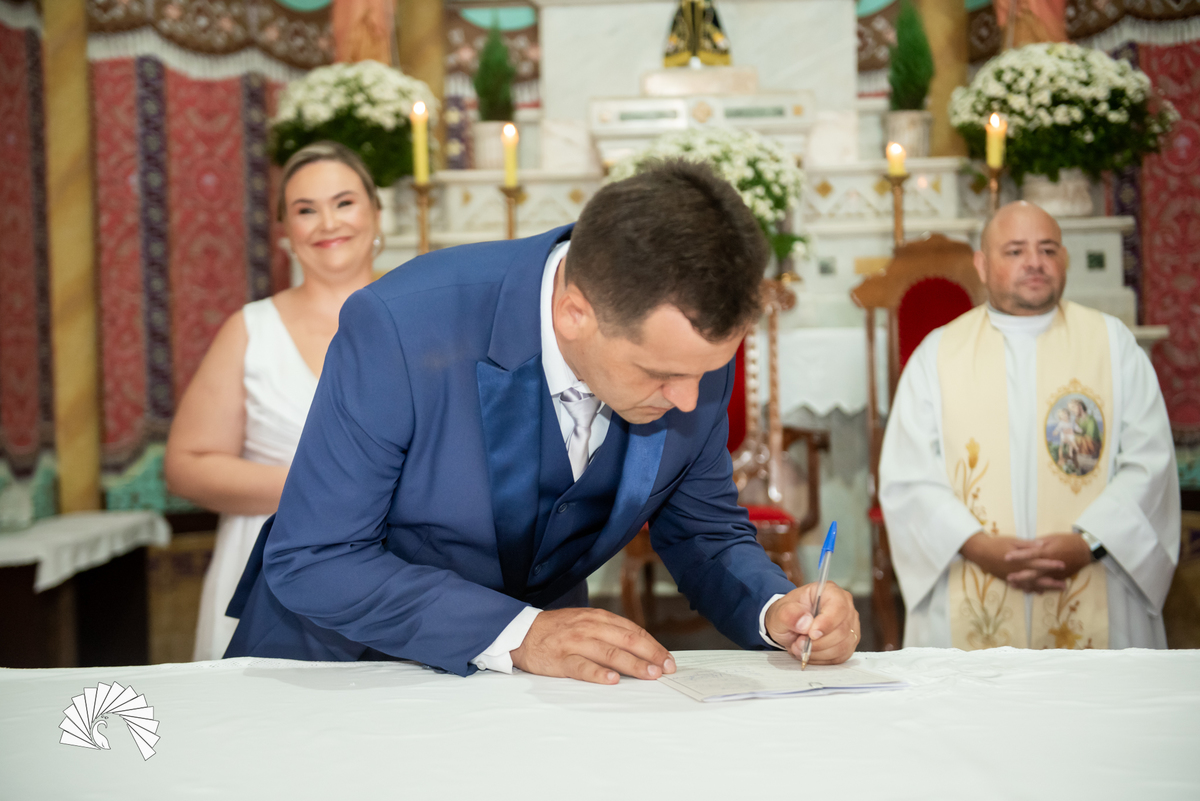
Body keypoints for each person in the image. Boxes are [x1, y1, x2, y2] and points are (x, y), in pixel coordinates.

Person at [226, 159, 860, 682]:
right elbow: (317, 557)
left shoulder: (689, 352)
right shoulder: (401, 326)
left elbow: (705, 533)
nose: (689, 400)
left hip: (534, 690)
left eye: (708, 371)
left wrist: (776, 608)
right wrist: (519, 632)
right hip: (344, 669)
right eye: (659, 374)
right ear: (574, 313)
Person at [880, 201, 1180, 650]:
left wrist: (1088, 543)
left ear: (1065, 259)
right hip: (970, 574)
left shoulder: (1112, 345)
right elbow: (909, 475)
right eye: (1015, 251)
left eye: (1048, 249)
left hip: (1097, 574)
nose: (1035, 262)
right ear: (982, 265)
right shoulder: (938, 355)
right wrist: (978, 546)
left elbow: (1149, 462)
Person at [165, 142, 379, 661]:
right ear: (285, 231)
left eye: (344, 202)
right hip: (268, 567)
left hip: (394, 569)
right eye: (306, 210)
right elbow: (186, 466)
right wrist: (315, 490)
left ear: (376, 212)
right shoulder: (250, 331)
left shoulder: (425, 319)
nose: (328, 223)